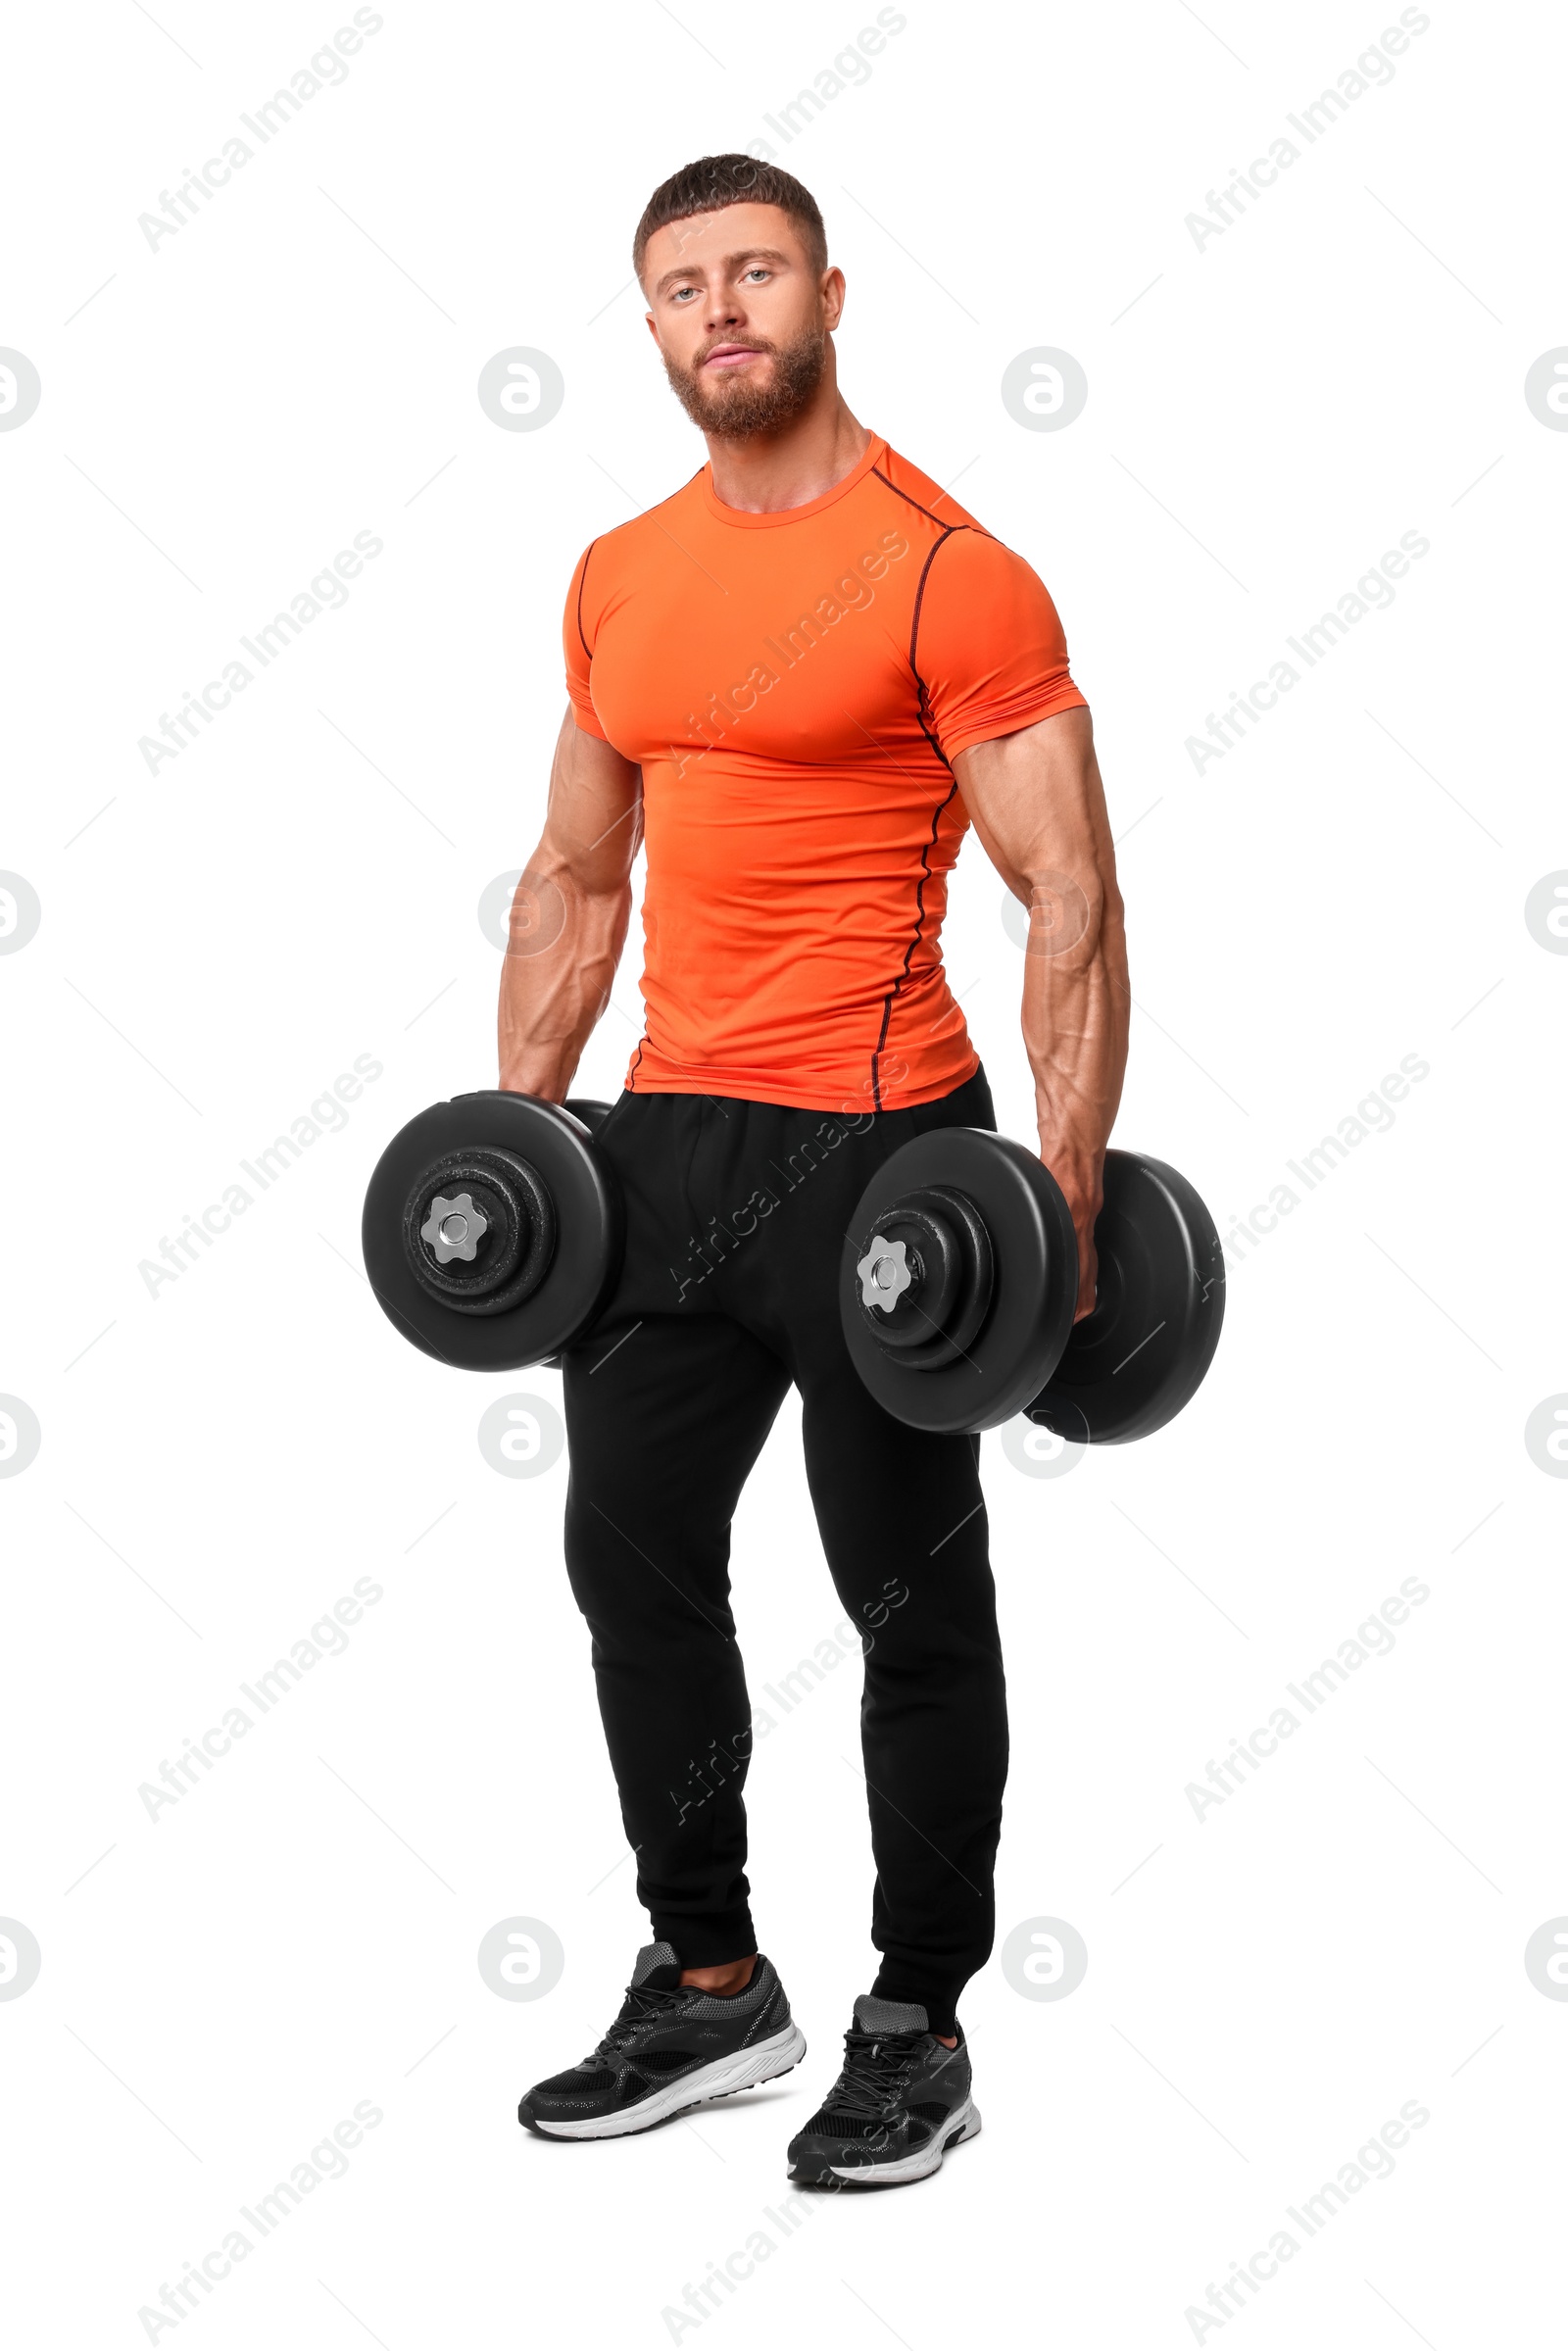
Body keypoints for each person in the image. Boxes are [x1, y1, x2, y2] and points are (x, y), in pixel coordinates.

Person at [503, 153, 1128, 2186]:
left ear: (829, 292)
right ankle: (705, 1983)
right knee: (627, 1558)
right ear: (654, 324)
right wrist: (522, 1152)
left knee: (902, 1597)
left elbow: (1068, 898)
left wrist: (1064, 1197)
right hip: (670, 1146)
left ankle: (913, 2016)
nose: (719, 310)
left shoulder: (950, 570)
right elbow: (579, 876)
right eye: (679, 285)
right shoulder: (615, 574)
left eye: (751, 269)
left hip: (884, 1161)